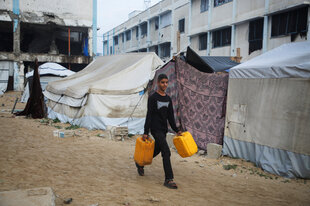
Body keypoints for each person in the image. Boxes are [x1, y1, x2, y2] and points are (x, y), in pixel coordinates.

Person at [136, 73, 182, 189]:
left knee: (157, 149)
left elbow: (171, 117)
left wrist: (177, 130)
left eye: (166, 82)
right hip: (155, 129)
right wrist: (146, 132)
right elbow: (149, 115)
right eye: (162, 82)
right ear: (158, 83)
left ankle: (140, 163)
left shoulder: (168, 99)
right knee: (166, 151)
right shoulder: (153, 98)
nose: (165, 85)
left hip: (163, 130)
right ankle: (169, 179)